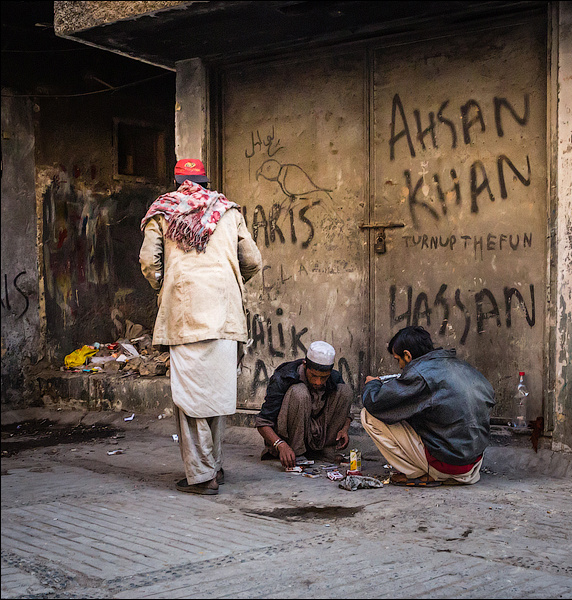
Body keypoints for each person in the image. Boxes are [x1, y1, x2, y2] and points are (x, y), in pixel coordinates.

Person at [140, 158, 261, 495]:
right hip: (225, 316)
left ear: (179, 182)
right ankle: (213, 467)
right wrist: (229, 287)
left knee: (191, 400)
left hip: (186, 315)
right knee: (215, 395)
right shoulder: (228, 211)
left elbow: (150, 263)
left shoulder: (163, 213)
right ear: (206, 182)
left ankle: (203, 476)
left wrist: (167, 288)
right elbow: (252, 261)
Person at [361, 326, 495, 487]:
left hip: (449, 463)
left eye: (398, 360)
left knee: (368, 415)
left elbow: (375, 403)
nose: (400, 367)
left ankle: (421, 473)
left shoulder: (420, 374)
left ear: (407, 355)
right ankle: (438, 470)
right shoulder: (462, 367)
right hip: (473, 463)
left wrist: (372, 385)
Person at [255, 341, 353, 469]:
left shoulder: (334, 377)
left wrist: (344, 429)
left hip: (317, 433)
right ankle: (296, 451)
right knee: (299, 392)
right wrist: (280, 445)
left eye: (323, 378)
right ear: (305, 365)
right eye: (314, 376)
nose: (318, 382)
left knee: (345, 391)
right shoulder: (284, 377)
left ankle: (325, 450)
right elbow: (262, 422)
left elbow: (347, 413)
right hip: (288, 438)